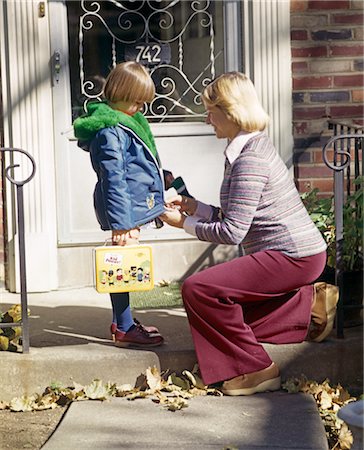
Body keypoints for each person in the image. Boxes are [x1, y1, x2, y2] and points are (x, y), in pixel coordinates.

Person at [160, 72, 337, 395]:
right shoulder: (243, 149)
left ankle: (257, 369)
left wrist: (181, 224)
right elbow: (233, 215)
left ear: (230, 111)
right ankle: (310, 307)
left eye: (210, 110)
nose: (206, 118)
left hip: (293, 257)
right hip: (295, 254)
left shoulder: (250, 158)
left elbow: (232, 232)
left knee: (199, 290)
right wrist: (190, 206)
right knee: (229, 318)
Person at [73, 61, 170, 348]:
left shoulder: (124, 122)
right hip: (124, 209)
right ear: (120, 93)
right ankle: (125, 327)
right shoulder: (109, 132)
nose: (140, 108)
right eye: (136, 102)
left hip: (132, 206)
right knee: (123, 265)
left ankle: (122, 322)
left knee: (124, 263)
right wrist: (121, 223)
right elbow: (113, 180)